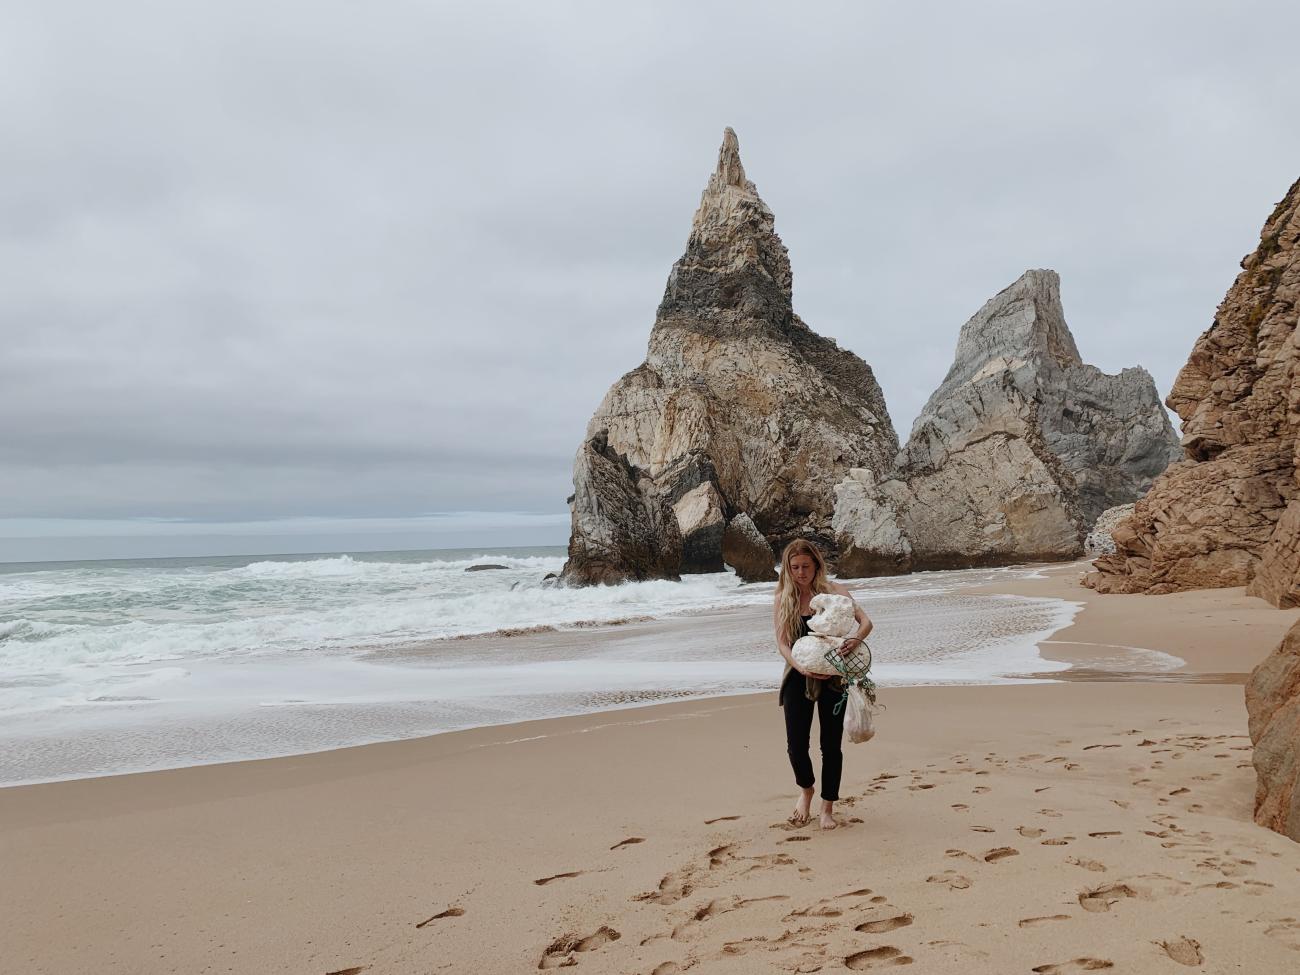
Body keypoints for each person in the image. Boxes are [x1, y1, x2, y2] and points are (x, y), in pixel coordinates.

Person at [773, 538, 873, 830]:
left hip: (834, 677)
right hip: (798, 675)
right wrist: (800, 666)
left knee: (830, 746)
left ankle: (827, 807)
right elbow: (781, 643)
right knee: (795, 746)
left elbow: (865, 621)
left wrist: (855, 640)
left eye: (805, 566)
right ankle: (806, 790)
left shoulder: (835, 593)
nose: (800, 573)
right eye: (794, 567)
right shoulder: (783, 598)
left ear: (816, 564)